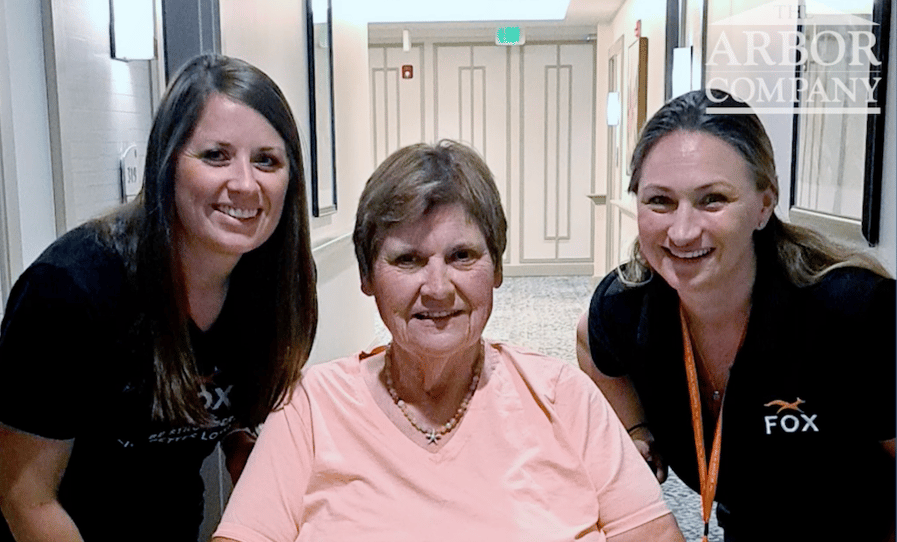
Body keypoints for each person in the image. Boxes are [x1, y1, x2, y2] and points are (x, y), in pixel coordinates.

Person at [212, 140, 684, 542]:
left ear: (496, 269)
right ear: (367, 277)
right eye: (408, 260)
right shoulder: (309, 409)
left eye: (462, 256)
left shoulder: (565, 398)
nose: (437, 288)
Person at [0, 54, 318, 541]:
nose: (245, 183)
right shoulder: (68, 291)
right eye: (215, 155)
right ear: (168, 164)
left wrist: (240, 446)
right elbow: (26, 497)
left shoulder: (276, 285)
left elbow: (220, 401)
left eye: (267, 160)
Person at [576, 89, 895, 542]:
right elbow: (591, 341)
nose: (683, 232)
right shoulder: (625, 304)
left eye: (712, 200)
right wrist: (636, 428)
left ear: (764, 204)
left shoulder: (855, 312)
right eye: (660, 201)